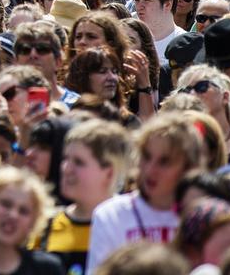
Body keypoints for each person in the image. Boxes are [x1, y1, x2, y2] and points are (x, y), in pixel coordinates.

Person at [87, 113, 208, 273]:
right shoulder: (110, 215)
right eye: (146, 157)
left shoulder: (205, 216)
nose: (150, 170)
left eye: (164, 161)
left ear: (189, 167)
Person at [37, 120, 131, 273]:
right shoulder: (43, 225)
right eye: (65, 159)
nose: (66, 169)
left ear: (109, 173)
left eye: (79, 162)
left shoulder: (131, 226)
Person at [0, 167, 64, 274]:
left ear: (32, 223)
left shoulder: (47, 270)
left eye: (23, 211)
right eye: (6, 204)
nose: (13, 215)